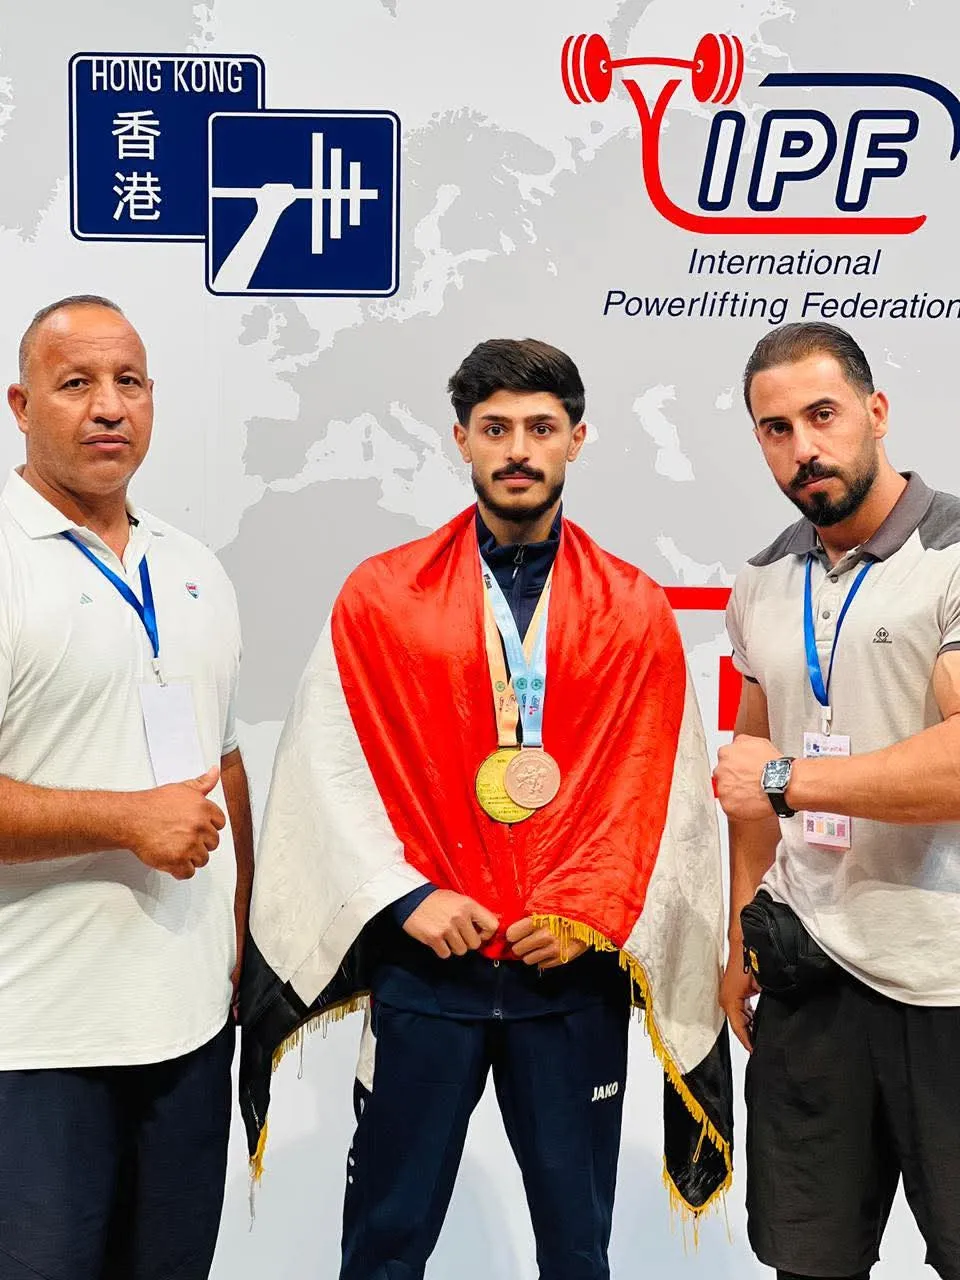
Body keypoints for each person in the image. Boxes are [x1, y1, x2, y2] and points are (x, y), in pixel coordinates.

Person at [239, 337, 732, 1279]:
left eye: (540, 428)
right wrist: (406, 897)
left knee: (578, 1251)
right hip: (429, 971)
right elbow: (326, 767)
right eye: (495, 428)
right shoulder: (383, 595)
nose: (518, 450)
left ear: (577, 439)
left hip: (568, 979)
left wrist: (587, 914)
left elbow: (655, 785)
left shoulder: (633, 606)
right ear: (460, 438)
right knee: (385, 1243)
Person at [0, 296, 253, 1280]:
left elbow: (225, 760)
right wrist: (124, 820)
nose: (109, 406)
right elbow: (149, 812)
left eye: (129, 382)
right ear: (21, 405)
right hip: (36, 1038)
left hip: (189, 1029)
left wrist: (239, 940)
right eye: (76, 383)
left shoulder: (192, 565)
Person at [715, 321, 960, 1280]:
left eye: (823, 416)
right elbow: (749, 772)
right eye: (776, 429)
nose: (803, 447)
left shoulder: (952, 551)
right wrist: (739, 931)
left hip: (946, 980)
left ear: (876, 411)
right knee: (807, 1264)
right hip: (809, 972)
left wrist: (790, 781)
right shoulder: (761, 579)